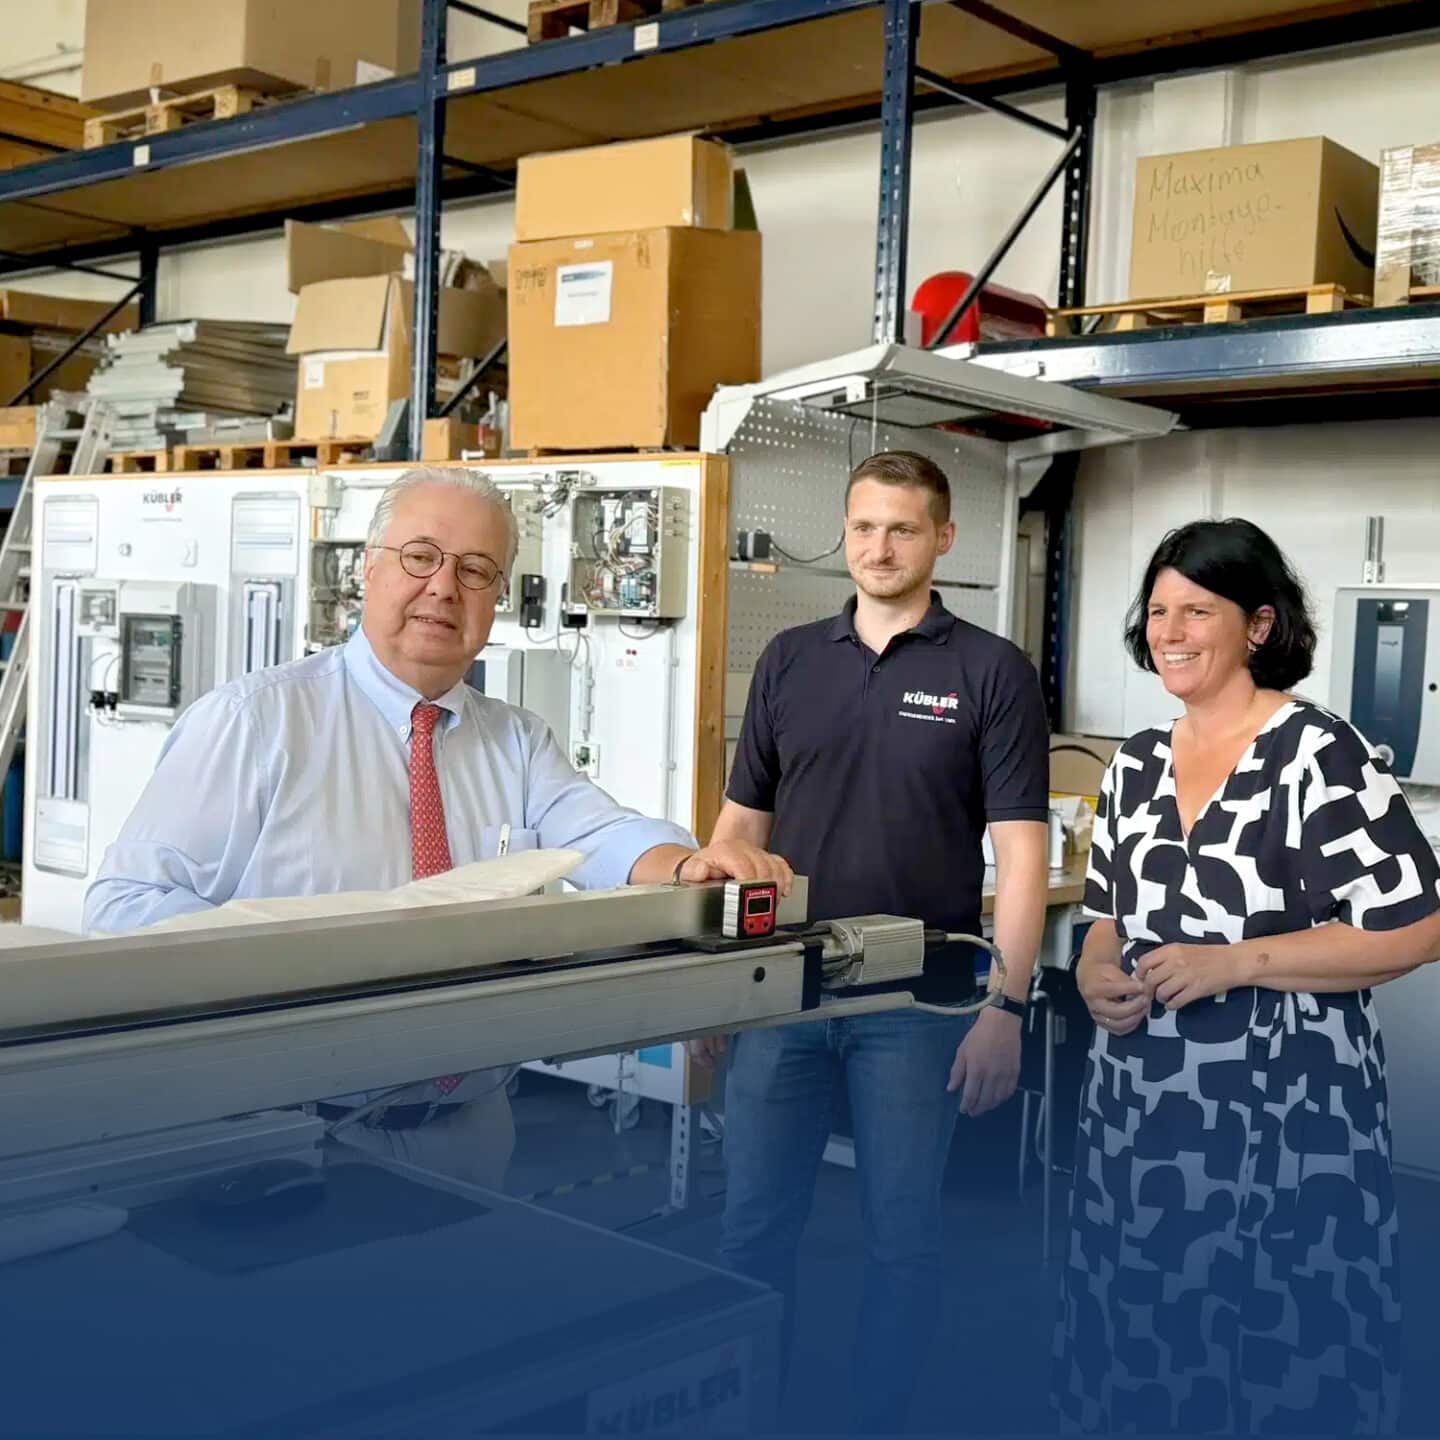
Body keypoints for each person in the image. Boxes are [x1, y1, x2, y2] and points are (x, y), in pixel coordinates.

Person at [84, 465, 791, 1187]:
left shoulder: (517, 741)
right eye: (420, 556)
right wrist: (280, 966)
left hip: (471, 1133)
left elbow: (598, 833)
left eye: (476, 570)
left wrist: (689, 866)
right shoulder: (255, 722)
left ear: (498, 598)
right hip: (285, 1138)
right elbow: (124, 906)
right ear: (368, 569)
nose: (444, 587)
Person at [1056, 518, 1440, 1435]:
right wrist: (1092, 968)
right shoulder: (1137, 764)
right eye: (1157, 610)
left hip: (1289, 1110)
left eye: (1198, 609)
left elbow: (1418, 926)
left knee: (1281, 1331)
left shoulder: (1319, 753)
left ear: (1258, 626)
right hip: (1142, 1107)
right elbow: (1109, 913)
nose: (1170, 631)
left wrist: (1238, 963)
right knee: (1143, 1320)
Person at [694, 450, 1050, 1432]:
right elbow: (736, 836)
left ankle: (878, 1417)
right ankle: (744, 1405)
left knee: (903, 1238)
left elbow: (1022, 857)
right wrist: (714, 985)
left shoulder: (989, 671)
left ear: (942, 538)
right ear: (843, 536)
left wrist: (1006, 1009)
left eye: (902, 528)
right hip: (783, 990)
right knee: (752, 1227)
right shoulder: (792, 661)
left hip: (919, 1000)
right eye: (862, 527)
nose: (879, 547)